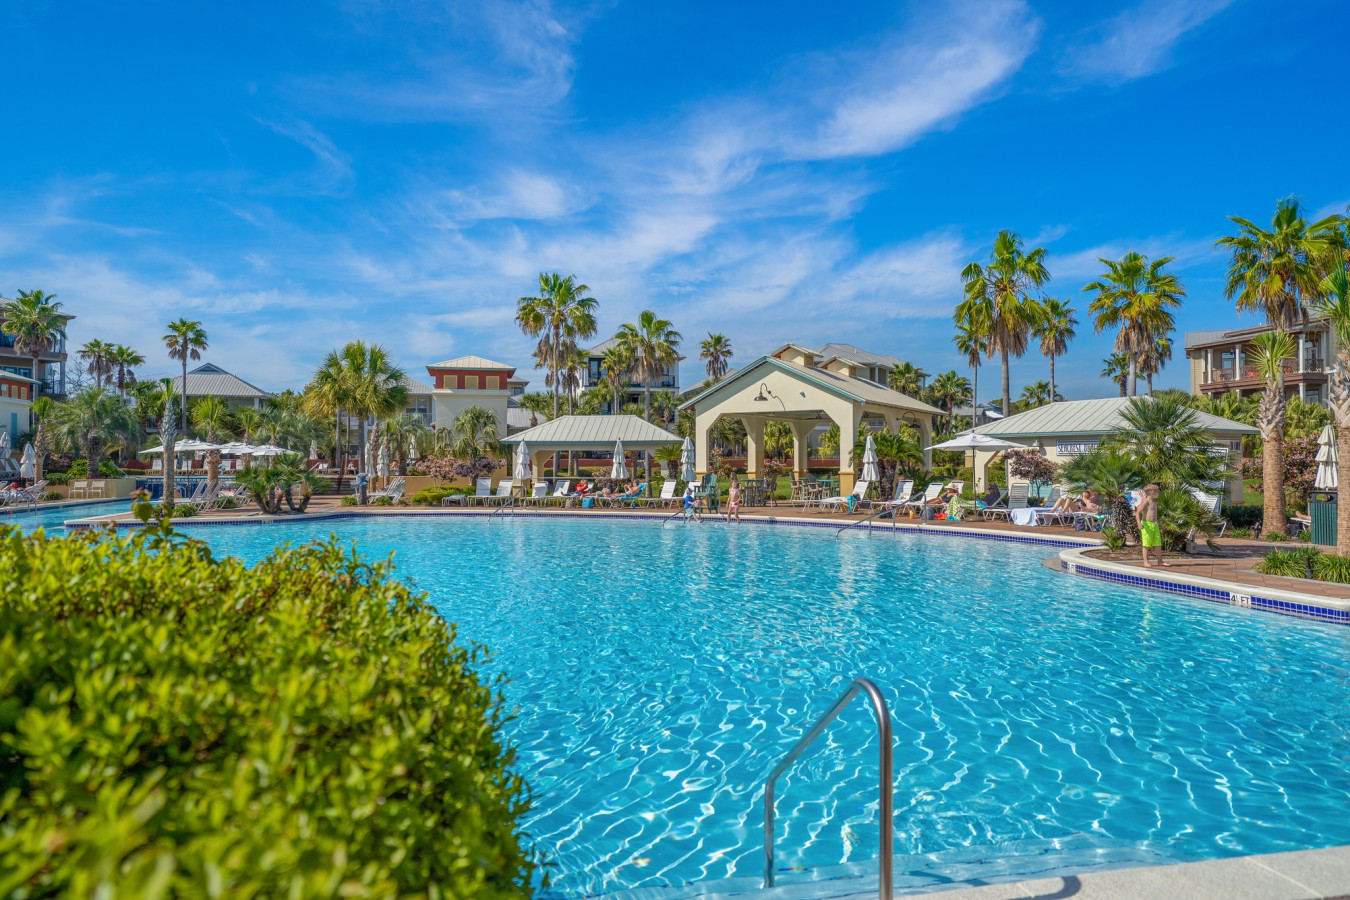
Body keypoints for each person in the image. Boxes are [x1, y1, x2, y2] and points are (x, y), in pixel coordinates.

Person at [1135, 483, 1167, 568]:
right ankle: (1145, 562)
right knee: (1146, 544)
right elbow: (1137, 512)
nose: (1158, 493)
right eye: (1157, 492)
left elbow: (1153, 514)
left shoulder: (1155, 502)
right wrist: (1139, 523)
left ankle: (1160, 561)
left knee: (1158, 543)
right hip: (1146, 525)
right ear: (1152, 492)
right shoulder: (1146, 502)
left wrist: (1158, 523)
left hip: (1154, 524)